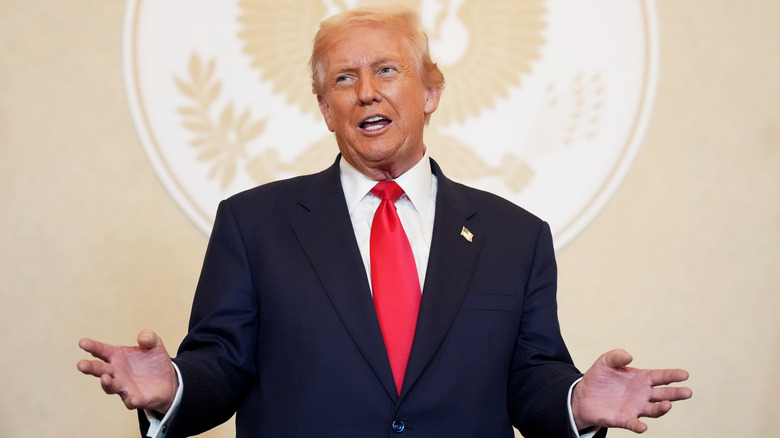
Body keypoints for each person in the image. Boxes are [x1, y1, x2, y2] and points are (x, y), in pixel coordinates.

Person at [78, 7, 691, 438]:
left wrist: (575, 403)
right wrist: (175, 387)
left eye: (387, 71)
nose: (367, 92)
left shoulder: (516, 236)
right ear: (325, 109)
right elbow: (223, 364)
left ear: (430, 92)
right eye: (344, 79)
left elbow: (530, 378)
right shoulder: (253, 224)